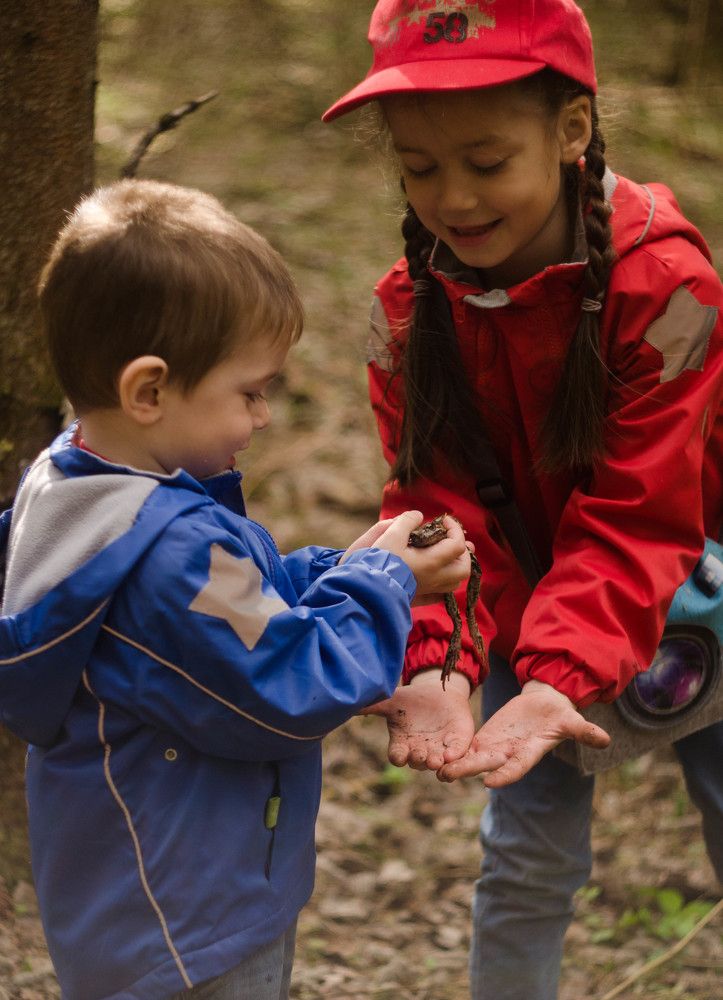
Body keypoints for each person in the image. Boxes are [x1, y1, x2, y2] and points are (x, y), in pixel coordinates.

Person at [322, 2, 723, 998]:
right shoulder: (407, 313)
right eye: (420, 167)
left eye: (487, 161)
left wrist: (563, 668)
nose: (452, 196)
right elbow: (439, 515)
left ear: (573, 129)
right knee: (526, 848)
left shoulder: (668, 287)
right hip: (530, 611)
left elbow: (642, 511)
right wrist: (443, 657)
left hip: (695, 586)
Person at [0, 178, 478, 1000]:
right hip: (193, 923)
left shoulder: (74, 489)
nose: (261, 417)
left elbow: (233, 612)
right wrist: (389, 583)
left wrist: (345, 572)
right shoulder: (169, 551)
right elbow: (284, 682)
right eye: (249, 392)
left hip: (130, 906)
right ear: (148, 391)